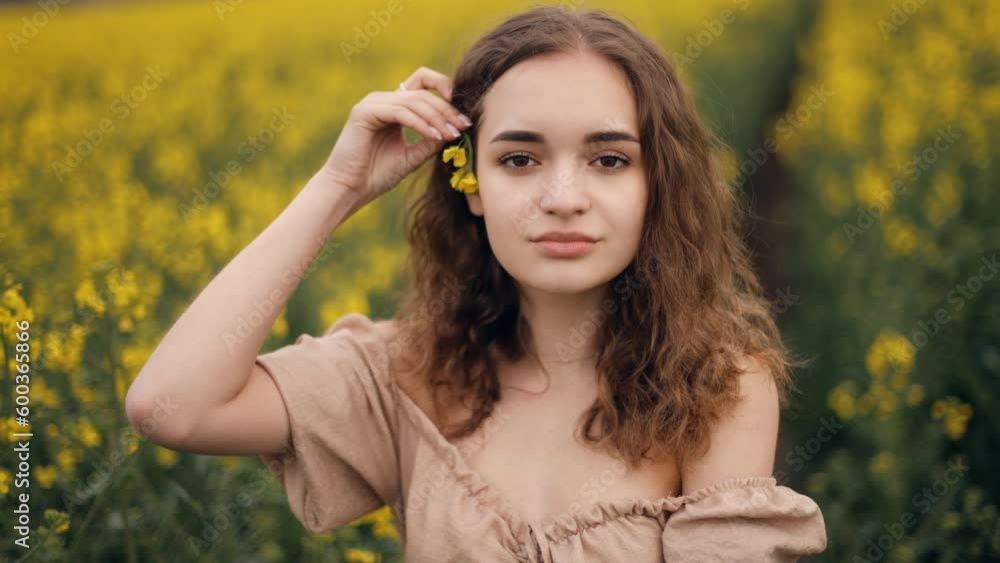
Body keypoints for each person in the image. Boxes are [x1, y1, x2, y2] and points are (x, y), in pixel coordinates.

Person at [126, 5, 828, 561]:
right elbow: (170, 406)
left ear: (656, 183)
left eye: (608, 160)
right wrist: (338, 187)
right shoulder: (406, 372)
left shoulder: (716, 386)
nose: (562, 196)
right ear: (473, 186)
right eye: (519, 159)